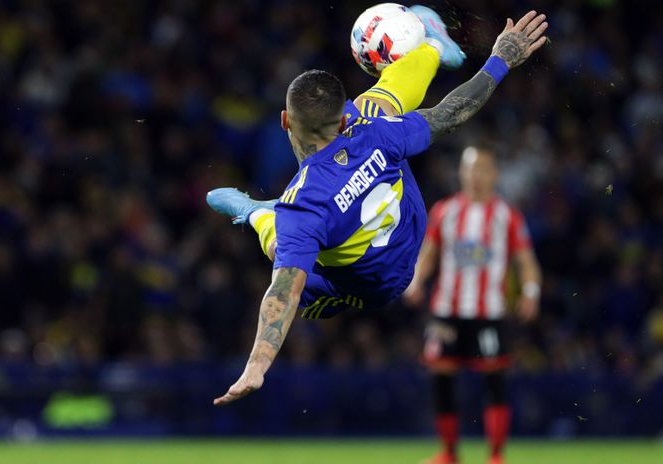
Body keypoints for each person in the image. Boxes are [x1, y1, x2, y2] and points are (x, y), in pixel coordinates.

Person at [206, 10, 548, 407]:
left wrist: (256, 367)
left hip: (375, 284)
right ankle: (429, 49)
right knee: (380, 107)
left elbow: (283, 292)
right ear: (340, 116)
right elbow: (450, 113)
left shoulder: (304, 208)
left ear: (285, 121)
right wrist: (501, 58)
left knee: (283, 240)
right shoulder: (372, 130)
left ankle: (254, 213)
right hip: (409, 227)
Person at [402, 145, 542, 464]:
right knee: (441, 377)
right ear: (461, 173)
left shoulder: (506, 215)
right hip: (446, 310)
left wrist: (531, 292)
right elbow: (429, 253)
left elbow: (526, 260)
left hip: (488, 312)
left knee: (494, 379)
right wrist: (416, 281)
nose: (475, 176)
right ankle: (449, 453)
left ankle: (495, 455)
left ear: (494, 174)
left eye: (482, 170)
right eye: (469, 169)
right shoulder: (445, 211)